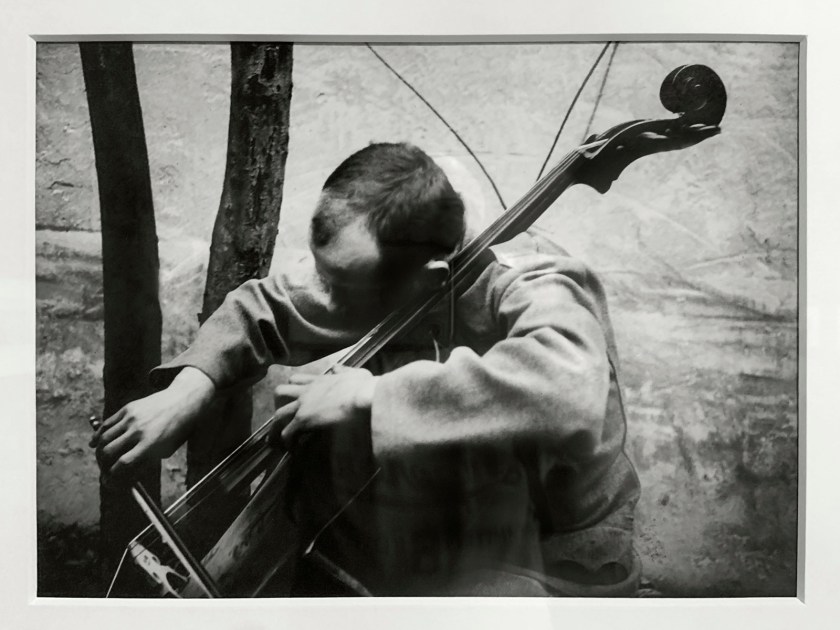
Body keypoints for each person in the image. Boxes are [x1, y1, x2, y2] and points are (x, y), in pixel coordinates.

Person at [90, 142, 641, 597]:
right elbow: (267, 304)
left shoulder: (537, 281)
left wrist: (370, 397)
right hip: (460, 517)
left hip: (551, 558)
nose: (321, 295)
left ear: (427, 279)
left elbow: (568, 386)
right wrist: (190, 389)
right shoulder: (390, 250)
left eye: (341, 287)